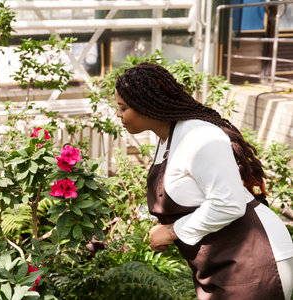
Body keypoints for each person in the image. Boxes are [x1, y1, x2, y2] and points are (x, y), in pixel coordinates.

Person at [115, 62, 293, 300]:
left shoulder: (198, 136)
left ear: (146, 105)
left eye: (122, 107)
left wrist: (170, 231)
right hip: (217, 264)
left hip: (253, 259)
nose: (118, 114)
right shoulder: (166, 140)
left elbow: (228, 203)